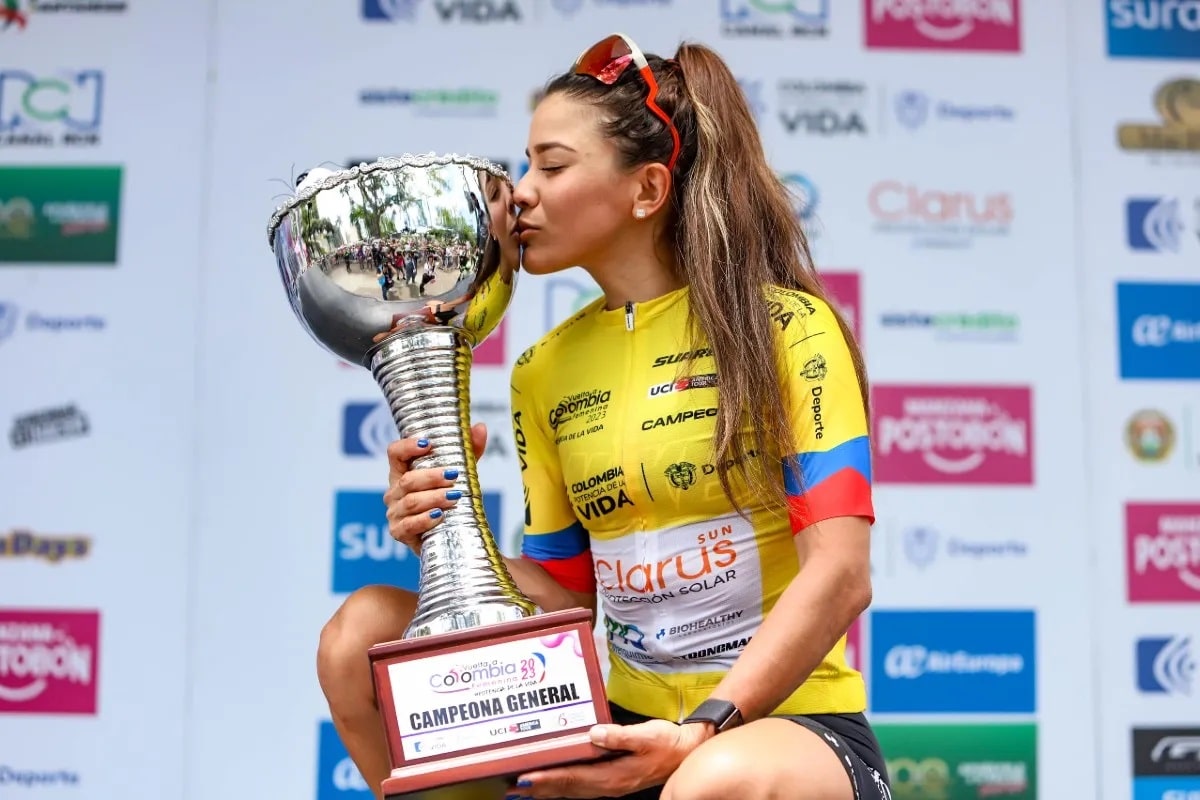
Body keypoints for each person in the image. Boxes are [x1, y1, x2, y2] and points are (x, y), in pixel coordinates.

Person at [317, 33, 890, 800]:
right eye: (525, 165)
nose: (520, 193)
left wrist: (700, 731)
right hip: (623, 731)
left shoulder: (788, 328)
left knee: (710, 783)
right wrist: (447, 525)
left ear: (647, 189)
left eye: (551, 167)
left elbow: (841, 575)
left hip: (781, 729)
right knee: (359, 635)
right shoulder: (545, 369)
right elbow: (567, 597)